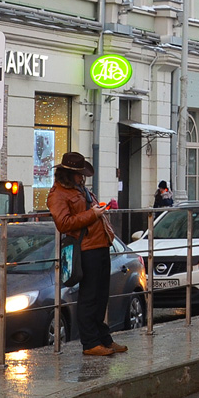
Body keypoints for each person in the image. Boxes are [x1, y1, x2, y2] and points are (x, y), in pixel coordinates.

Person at [46, 151, 124, 357]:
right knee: (89, 296)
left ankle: (103, 339)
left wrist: (97, 211)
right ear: (68, 174)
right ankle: (90, 342)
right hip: (85, 249)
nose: (83, 177)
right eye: (80, 174)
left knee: (100, 296)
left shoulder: (79, 189)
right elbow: (63, 223)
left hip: (99, 245)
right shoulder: (58, 194)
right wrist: (93, 214)